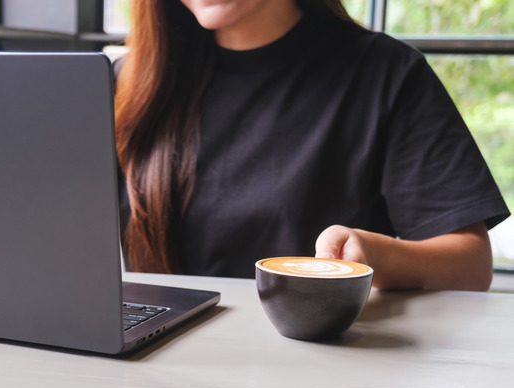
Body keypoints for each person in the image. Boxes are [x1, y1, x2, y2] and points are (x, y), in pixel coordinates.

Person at [113, 0, 510, 290]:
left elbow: (470, 265)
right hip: (151, 369)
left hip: (320, 374)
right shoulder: (127, 84)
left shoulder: (384, 73)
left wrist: (375, 254)